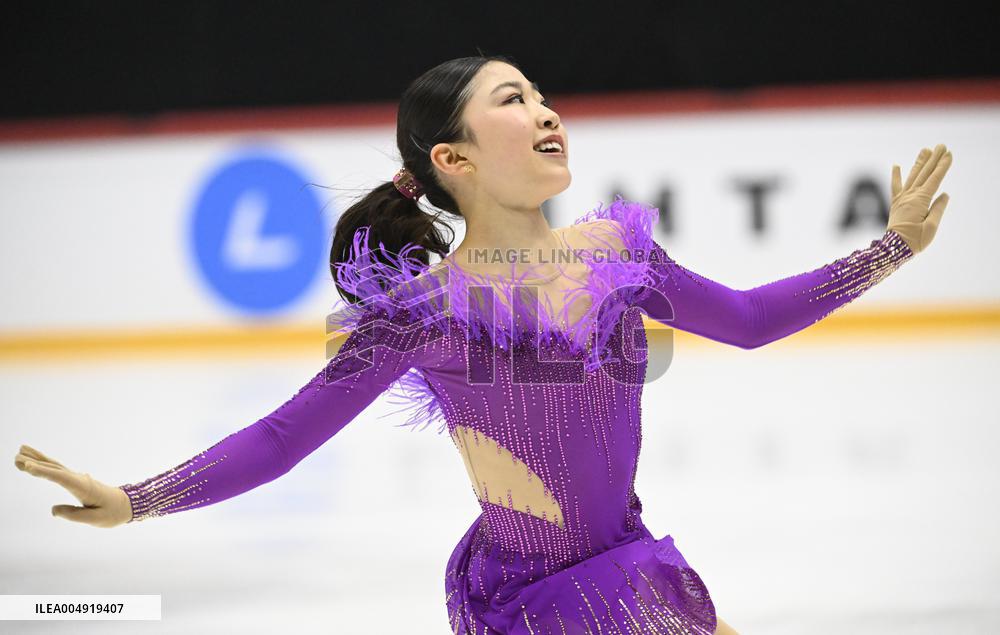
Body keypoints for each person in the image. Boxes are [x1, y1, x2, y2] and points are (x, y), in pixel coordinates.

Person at [14, 54, 952, 635]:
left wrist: (891, 247)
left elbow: (746, 320)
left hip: (624, 558)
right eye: (514, 100)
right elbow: (281, 437)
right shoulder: (422, 309)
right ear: (453, 161)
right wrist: (136, 500)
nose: (546, 111)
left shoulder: (619, 252)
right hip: (537, 599)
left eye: (543, 96)